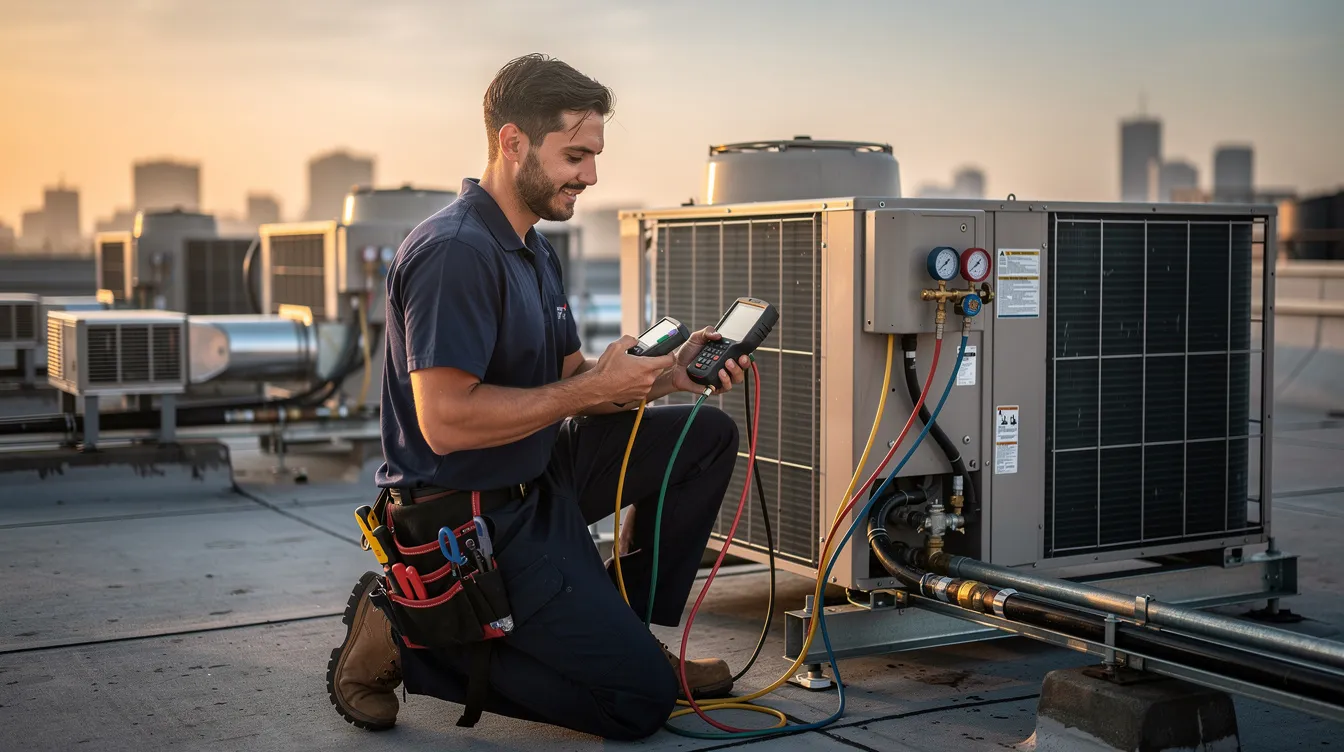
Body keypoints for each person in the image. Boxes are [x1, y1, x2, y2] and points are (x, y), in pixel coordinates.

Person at [325, 53, 751, 741]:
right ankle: (408, 640)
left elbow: (574, 379)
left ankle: (626, 632)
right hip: (468, 519)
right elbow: (446, 423)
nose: (590, 175)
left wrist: (668, 376)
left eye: (594, 156)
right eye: (576, 156)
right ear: (512, 142)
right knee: (637, 706)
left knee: (703, 437)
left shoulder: (531, 248)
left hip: (537, 475)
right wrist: (591, 385)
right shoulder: (455, 252)